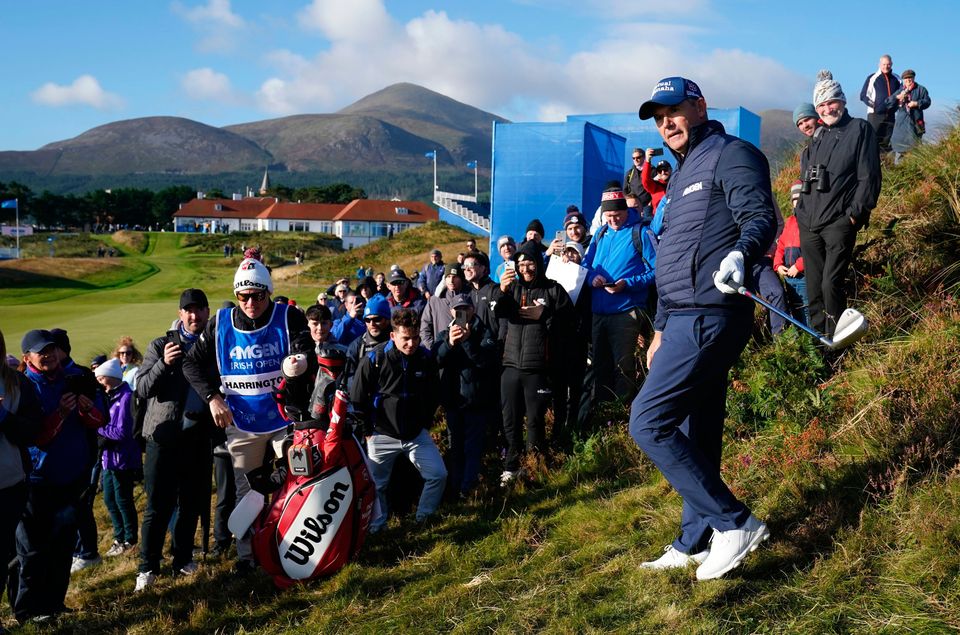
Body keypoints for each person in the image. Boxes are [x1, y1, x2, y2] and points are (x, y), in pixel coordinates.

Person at [632, 76, 777, 580]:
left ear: (699, 106)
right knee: (697, 429)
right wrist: (658, 330)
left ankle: (734, 523)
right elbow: (674, 259)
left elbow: (759, 216)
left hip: (712, 314)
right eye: (657, 117)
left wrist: (743, 250)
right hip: (682, 318)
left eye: (673, 110)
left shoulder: (731, 153)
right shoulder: (679, 174)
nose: (665, 122)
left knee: (647, 421)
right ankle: (695, 538)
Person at [182, 258, 308, 572]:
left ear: (269, 291)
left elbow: (307, 347)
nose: (251, 302)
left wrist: (301, 362)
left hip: (284, 419)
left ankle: (288, 545)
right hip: (242, 422)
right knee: (247, 491)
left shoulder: (288, 315)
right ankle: (247, 557)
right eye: (244, 296)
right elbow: (190, 363)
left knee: (291, 483)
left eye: (258, 295)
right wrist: (212, 397)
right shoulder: (221, 322)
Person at [16, 329, 105, 622]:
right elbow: (36, 437)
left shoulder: (72, 380)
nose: (49, 355)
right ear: (27, 357)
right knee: (32, 551)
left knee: (63, 546)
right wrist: (61, 415)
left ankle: (54, 603)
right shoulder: (24, 387)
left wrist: (85, 409)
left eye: (52, 349)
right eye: (42, 351)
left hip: (72, 478)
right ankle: (29, 610)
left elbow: (98, 420)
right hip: (36, 482)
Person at [134, 289, 214, 591]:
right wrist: (163, 364)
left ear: (207, 313)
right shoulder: (161, 345)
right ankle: (147, 567)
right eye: (188, 311)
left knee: (191, 503)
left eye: (199, 310)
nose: (194, 316)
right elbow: (141, 388)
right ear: (181, 314)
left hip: (197, 438)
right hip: (162, 438)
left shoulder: (212, 347)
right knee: (158, 506)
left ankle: (181, 559)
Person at [797, 70, 881, 337]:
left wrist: (855, 215)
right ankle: (821, 341)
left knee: (831, 284)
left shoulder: (859, 129)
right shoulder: (816, 139)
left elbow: (869, 176)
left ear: (842, 101)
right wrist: (799, 213)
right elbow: (805, 180)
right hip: (809, 224)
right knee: (813, 287)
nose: (827, 108)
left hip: (838, 222)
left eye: (831, 102)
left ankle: (839, 339)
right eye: (821, 105)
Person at [350, 309, 447, 532]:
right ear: (393, 335)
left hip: (416, 435)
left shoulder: (425, 358)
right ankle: (377, 527)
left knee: (438, 475)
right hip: (381, 434)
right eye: (405, 338)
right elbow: (357, 397)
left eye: (415, 337)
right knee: (377, 485)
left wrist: (424, 423)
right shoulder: (375, 358)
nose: (411, 343)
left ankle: (424, 518)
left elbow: (434, 394)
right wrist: (367, 430)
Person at [495, 239, 574, 485]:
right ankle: (511, 467)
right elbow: (499, 311)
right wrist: (504, 290)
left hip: (538, 367)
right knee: (510, 420)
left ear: (538, 264)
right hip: (510, 365)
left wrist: (546, 316)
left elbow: (570, 324)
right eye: (521, 265)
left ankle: (535, 467)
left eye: (530, 263)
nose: (525, 269)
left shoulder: (553, 290)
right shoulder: (514, 289)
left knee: (536, 421)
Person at [582, 187, 655, 405]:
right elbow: (586, 266)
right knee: (599, 364)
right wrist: (592, 278)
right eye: (609, 216)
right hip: (599, 311)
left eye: (618, 215)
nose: (613, 220)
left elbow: (657, 270)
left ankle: (622, 409)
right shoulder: (600, 233)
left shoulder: (641, 233)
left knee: (623, 365)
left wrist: (628, 284)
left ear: (625, 211)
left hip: (626, 309)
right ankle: (603, 409)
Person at [47, 329, 103, 574]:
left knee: (80, 505)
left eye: (51, 349)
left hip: (82, 450)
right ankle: (79, 550)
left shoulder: (81, 375)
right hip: (60, 453)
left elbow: (100, 415)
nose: (48, 356)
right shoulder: (54, 375)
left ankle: (87, 552)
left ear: (62, 349)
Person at [436, 294, 498, 496]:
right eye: (457, 309)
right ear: (451, 312)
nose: (462, 312)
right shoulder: (445, 333)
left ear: (473, 309)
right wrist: (451, 343)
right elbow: (435, 360)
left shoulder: (484, 332)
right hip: (453, 401)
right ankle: (455, 489)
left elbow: (485, 361)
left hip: (476, 402)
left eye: (466, 308)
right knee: (455, 449)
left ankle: (468, 488)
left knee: (473, 448)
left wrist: (468, 341)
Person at [0, 329, 41, 611]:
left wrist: (3, 417)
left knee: (2, 555)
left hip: (9, 484)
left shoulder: (17, 383)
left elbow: (30, 433)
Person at [93, 357, 141, 558]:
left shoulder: (126, 397)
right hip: (109, 459)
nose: (99, 383)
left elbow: (122, 432)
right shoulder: (110, 395)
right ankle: (119, 538)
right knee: (110, 499)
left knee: (123, 500)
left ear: (109, 378)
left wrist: (98, 429)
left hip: (123, 458)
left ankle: (129, 539)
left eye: (101, 379)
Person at [775, 182, 809, 326]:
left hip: (803, 276)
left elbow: (812, 251)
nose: (797, 203)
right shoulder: (790, 222)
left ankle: (812, 339)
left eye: (800, 199)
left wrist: (798, 266)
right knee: (794, 307)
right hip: (789, 277)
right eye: (794, 200)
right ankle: (801, 339)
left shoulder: (809, 222)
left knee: (806, 308)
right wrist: (778, 265)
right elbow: (781, 245)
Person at [887, 69, 931, 165]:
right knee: (899, 150)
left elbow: (927, 102)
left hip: (916, 124)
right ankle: (899, 172)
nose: (908, 81)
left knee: (916, 149)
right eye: (906, 79)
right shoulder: (900, 91)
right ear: (903, 80)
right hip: (901, 127)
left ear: (913, 78)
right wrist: (897, 97)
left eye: (910, 78)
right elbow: (888, 103)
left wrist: (917, 103)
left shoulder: (921, 89)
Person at [860, 54, 901, 155]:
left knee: (887, 143)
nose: (886, 66)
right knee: (872, 141)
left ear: (891, 64)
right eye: (883, 64)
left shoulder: (897, 78)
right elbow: (863, 95)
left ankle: (885, 166)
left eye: (888, 64)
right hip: (875, 115)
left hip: (890, 115)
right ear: (879, 64)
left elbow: (902, 92)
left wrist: (897, 105)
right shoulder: (872, 78)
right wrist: (874, 106)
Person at [420, 264, 466, 351]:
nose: (451, 280)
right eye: (448, 277)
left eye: (455, 277)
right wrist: (433, 348)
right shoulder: (434, 300)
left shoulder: (466, 299)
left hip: (464, 354)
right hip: (440, 353)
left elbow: (463, 326)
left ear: (461, 278)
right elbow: (425, 327)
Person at [642, 148, 671, 214]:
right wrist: (647, 161)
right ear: (657, 173)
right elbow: (645, 180)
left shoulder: (676, 183)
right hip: (659, 220)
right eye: (660, 171)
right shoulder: (654, 186)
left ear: (670, 170)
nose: (663, 172)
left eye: (665, 170)